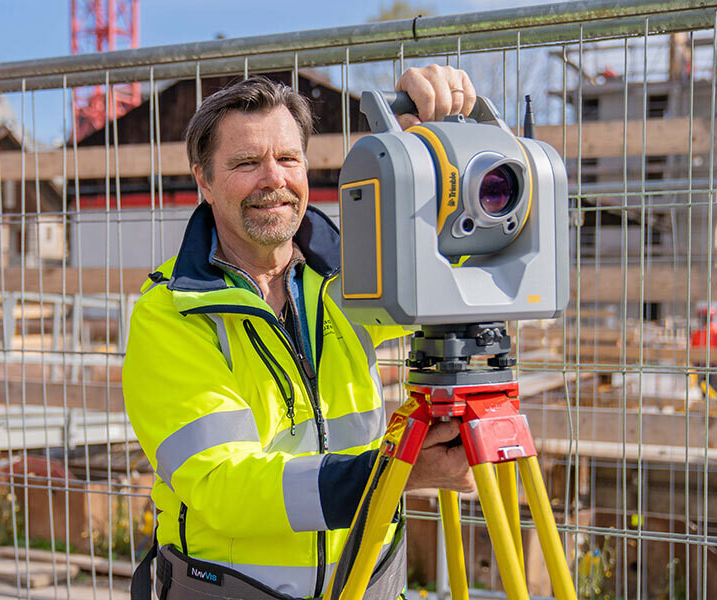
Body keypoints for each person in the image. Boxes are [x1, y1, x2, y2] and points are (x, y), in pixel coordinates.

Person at [124, 65, 479, 600]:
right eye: (246, 162)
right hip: (239, 589)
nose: (274, 179)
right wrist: (392, 476)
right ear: (203, 179)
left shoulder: (348, 281)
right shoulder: (171, 314)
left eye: (288, 159)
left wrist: (434, 154)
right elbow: (222, 487)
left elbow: (458, 269)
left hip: (367, 581)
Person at [690, 305, 717, 401]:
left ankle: (712, 406)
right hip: (701, 367)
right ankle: (708, 408)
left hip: (712, 367)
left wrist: (712, 362)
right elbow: (692, 350)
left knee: (711, 389)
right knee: (705, 389)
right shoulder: (697, 333)